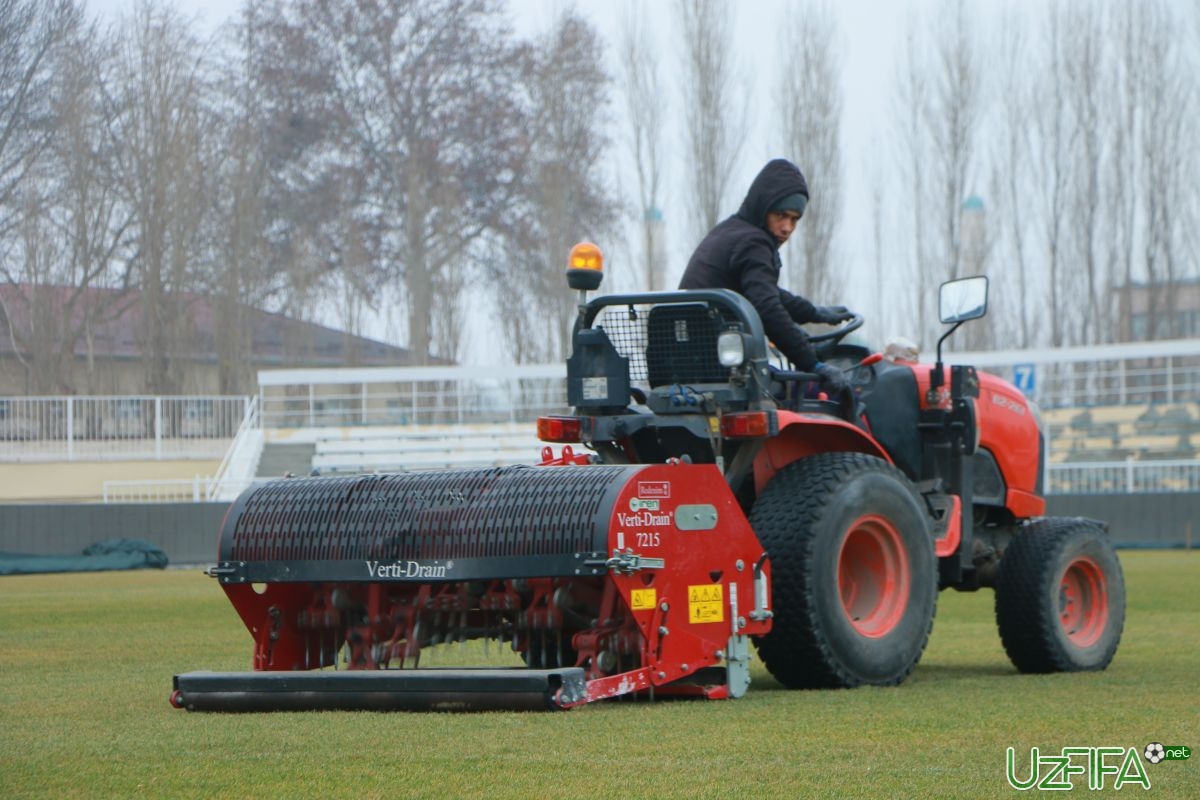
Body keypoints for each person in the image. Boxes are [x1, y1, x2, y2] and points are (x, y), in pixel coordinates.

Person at [679, 158, 853, 393]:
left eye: (794, 219)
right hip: (720, 364)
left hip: (695, 360)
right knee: (812, 392)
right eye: (781, 215)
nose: (787, 228)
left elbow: (766, 294)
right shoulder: (754, 242)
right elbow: (767, 307)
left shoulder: (730, 232)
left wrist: (815, 313)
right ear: (764, 208)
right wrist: (813, 362)